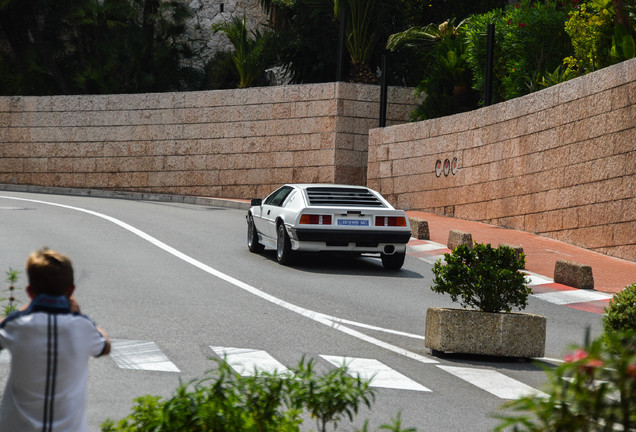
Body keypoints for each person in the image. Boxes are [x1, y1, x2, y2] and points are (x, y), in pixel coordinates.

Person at [0, 248, 111, 432]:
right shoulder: (82, 327)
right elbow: (105, 346)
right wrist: (79, 313)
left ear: (30, 291)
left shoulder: (17, 325)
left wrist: (25, 310)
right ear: (71, 291)